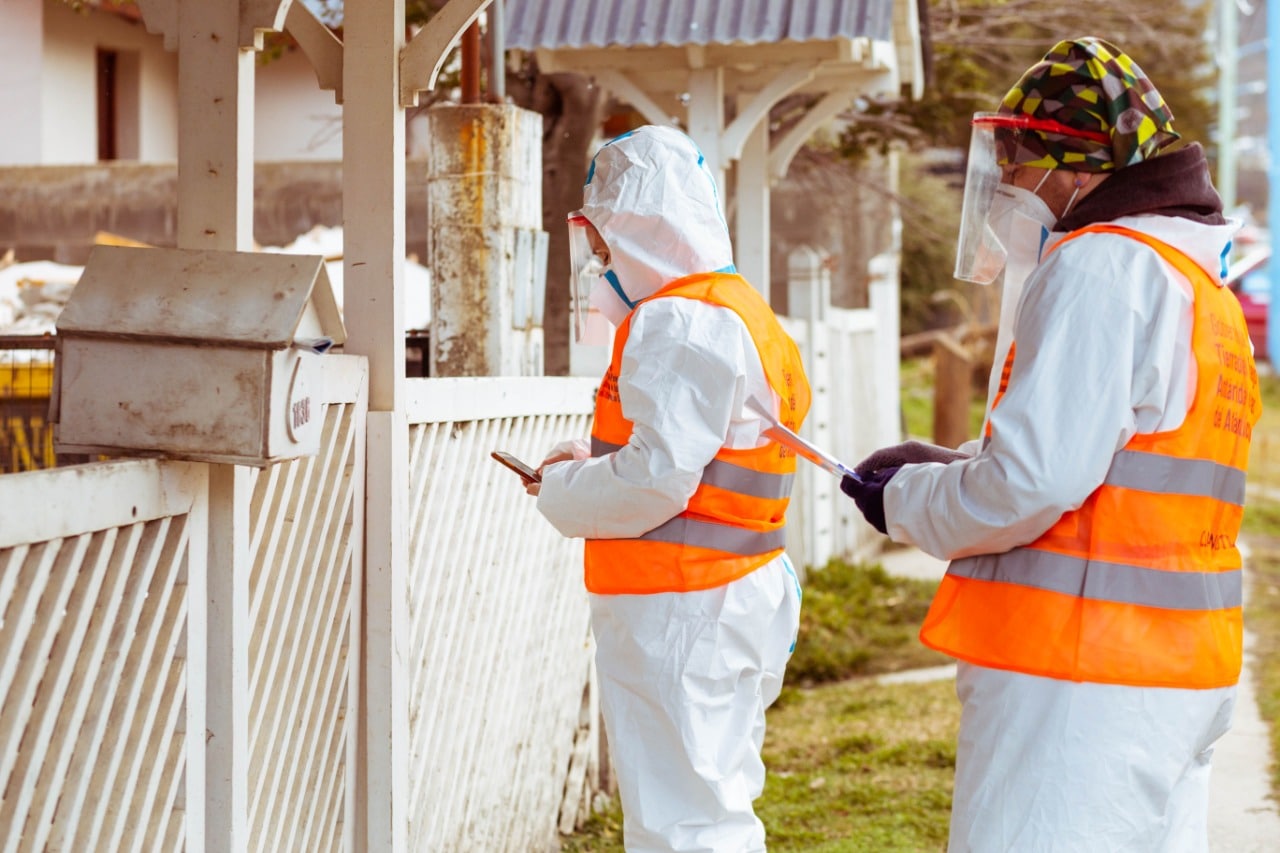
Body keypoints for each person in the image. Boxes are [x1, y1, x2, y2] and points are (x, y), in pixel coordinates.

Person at [842, 37, 1260, 851]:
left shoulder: (1102, 267)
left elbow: (1028, 486)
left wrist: (903, 501)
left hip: (1079, 681)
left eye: (1016, 158)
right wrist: (955, 465)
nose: (1004, 182)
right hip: (1171, 674)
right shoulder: (1192, 283)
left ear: (1077, 166)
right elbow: (1112, 468)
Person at [529, 125, 811, 851]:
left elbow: (657, 480)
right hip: (733, 592)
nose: (601, 265)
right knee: (713, 801)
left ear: (639, 231)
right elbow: (700, 453)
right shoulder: (738, 308)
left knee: (684, 823)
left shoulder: (677, 319)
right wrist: (587, 460)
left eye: (605, 247)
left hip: (683, 606)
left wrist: (563, 491)